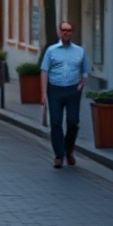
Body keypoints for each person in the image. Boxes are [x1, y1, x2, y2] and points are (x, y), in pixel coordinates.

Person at [40, 20, 89, 169]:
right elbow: (44, 71)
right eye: (63, 30)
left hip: (73, 90)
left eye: (69, 30)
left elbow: (85, 71)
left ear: (72, 33)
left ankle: (69, 151)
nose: (66, 33)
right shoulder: (51, 50)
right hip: (55, 90)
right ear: (59, 32)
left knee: (73, 122)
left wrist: (81, 85)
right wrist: (44, 93)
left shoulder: (80, 51)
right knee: (56, 123)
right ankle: (59, 156)